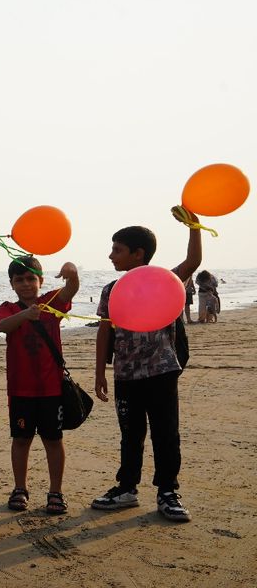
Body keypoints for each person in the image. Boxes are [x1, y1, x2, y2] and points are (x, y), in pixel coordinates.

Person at [92, 216, 202, 522]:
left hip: (162, 371)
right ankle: (127, 488)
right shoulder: (111, 289)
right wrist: (100, 372)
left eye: (117, 249)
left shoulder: (163, 280)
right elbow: (104, 331)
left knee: (166, 434)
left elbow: (193, 261)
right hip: (126, 374)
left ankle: (168, 492)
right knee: (131, 434)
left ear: (138, 253)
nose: (111, 255)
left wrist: (194, 228)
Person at [0, 256, 81, 515]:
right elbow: (3, 326)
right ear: (11, 283)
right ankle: (20, 488)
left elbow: (70, 289)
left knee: (53, 440)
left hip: (51, 389)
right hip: (20, 390)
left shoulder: (51, 303)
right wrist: (26, 314)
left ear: (41, 281)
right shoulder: (8, 308)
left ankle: (56, 491)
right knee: (21, 440)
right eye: (19, 280)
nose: (25, 284)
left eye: (31, 279)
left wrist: (72, 271)